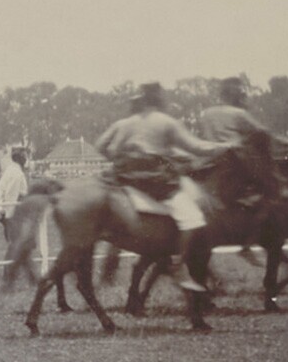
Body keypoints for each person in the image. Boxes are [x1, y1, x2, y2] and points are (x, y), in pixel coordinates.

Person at [94, 82, 227, 292]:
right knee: (193, 218)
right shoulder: (166, 121)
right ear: (158, 98)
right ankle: (178, 267)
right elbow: (196, 147)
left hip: (126, 177)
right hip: (154, 180)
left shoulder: (126, 123)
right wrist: (223, 146)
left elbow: (101, 145)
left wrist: (120, 157)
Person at [0, 147, 29, 243]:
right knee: (17, 243)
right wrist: (10, 214)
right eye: (24, 156)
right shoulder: (16, 173)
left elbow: (0, 192)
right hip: (14, 214)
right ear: (20, 158)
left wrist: (0, 209)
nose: (26, 159)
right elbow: (12, 194)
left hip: (9, 213)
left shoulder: (10, 170)